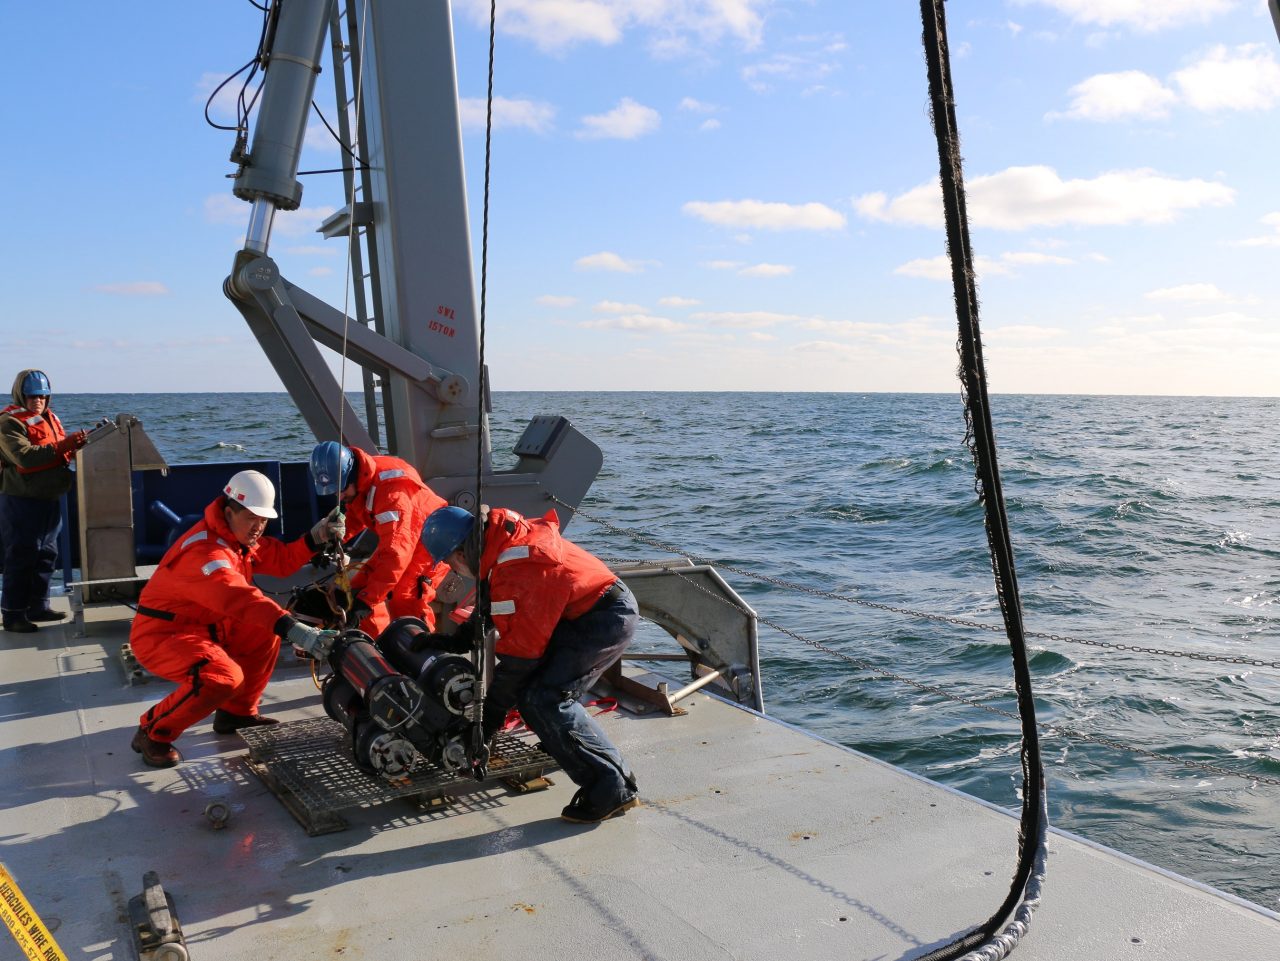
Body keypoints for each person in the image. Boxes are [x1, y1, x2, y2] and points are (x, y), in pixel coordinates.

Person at [422, 504, 640, 824]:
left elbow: (520, 661)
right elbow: (490, 600)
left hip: (602, 619)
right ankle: (566, 744)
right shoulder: (497, 543)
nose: (455, 571)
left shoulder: (518, 567)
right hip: (579, 612)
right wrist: (455, 640)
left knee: (544, 699)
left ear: (459, 553)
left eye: (451, 564)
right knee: (537, 698)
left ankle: (611, 788)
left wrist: (488, 722)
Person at [128, 469, 339, 768]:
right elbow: (237, 598)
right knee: (222, 677)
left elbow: (279, 559)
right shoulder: (206, 553)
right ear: (229, 512)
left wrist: (317, 537)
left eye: (263, 520)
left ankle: (236, 713)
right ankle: (152, 732)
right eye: (251, 518)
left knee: (264, 631)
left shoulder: (234, 538)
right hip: (163, 635)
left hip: (207, 625)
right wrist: (296, 630)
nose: (258, 527)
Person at [309, 441, 449, 636]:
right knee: (357, 590)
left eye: (340, 490)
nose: (339, 497)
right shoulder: (362, 478)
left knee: (405, 598)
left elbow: (395, 555)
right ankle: (378, 648)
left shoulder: (392, 494)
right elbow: (357, 514)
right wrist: (331, 543)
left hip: (433, 541)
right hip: (406, 537)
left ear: (350, 475)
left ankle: (424, 656)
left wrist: (366, 603)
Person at [0, 370, 87, 633]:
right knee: (21, 555)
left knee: (47, 555)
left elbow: (58, 450)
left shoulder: (48, 418)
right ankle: (14, 614)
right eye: (31, 396)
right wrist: (64, 446)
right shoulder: (9, 423)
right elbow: (24, 457)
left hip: (48, 498)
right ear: (21, 395)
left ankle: (38, 605)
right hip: (21, 500)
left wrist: (75, 445)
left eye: (42, 395)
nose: (37, 400)